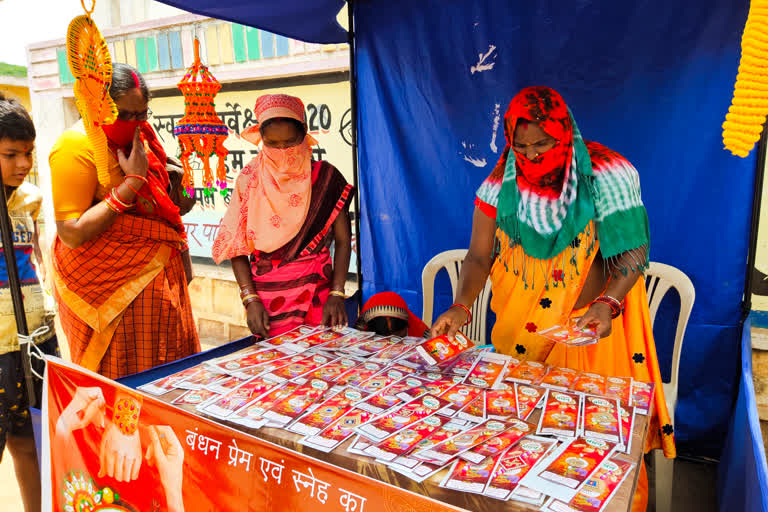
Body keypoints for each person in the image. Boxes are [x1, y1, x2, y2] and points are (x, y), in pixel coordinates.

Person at [430, 86, 674, 510]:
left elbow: (633, 251)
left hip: (591, 329)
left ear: (564, 133)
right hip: (520, 328)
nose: (531, 155)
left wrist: (608, 302)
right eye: (520, 145)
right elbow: (478, 256)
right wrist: (460, 305)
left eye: (542, 143)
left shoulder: (605, 172)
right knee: (524, 443)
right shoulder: (501, 181)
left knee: (597, 446)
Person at [49, 63, 200, 379]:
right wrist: (131, 183)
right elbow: (71, 235)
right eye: (125, 114)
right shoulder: (74, 147)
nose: (134, 123)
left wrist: (183, 179)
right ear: (98, 106)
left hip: (162, 288)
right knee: (123, 395)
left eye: (141, 113)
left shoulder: (141, 137)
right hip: (109, 297)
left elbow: (178, 205)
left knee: (170, 384)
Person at [213, 94, 353, 338]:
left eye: (290, 142)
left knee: (323, 368)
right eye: (273, 144)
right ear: (261, 140)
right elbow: (236, 247)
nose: (282, 151)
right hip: (268, 304)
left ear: (304, 134)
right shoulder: (249, 181)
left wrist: (337, 292)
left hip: (318, 298)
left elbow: (343, 240)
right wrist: (249, 298)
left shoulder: (326, 178)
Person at [0, 92, 60, 512]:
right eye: (10, 154)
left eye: (27, 153)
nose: (23, 163)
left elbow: (36, 258)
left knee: (31, 440)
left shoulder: (31, 199)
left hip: (35, 339)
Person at [355, 292, 429, 337]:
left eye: (398, 338)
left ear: (407, 326)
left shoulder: (421, 335)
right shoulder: (361, 335)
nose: (391, 344)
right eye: (383, 337)